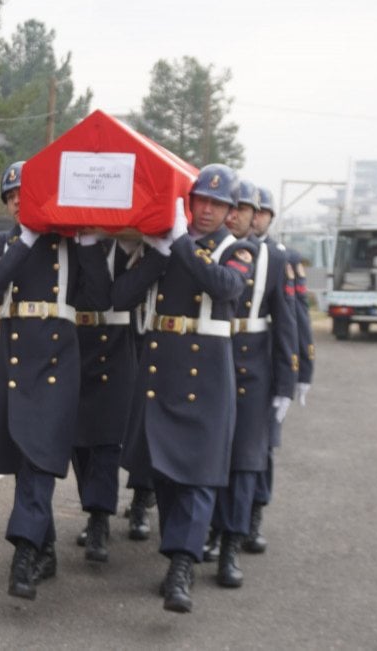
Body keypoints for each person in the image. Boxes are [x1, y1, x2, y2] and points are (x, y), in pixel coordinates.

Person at [109, 163, 254, 614]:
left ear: (230, 211)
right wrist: (158, 253)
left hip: (206, 374)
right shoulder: (167, 247)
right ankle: (177, 554)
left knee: (198, 475)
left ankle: (182, 567)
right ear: (188, 203)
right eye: (200, 201)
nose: (207, 210)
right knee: (168, 474)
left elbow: (225, 287)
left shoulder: (237, 250)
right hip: (162, 368)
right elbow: (120, 297)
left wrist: (181, 246)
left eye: (217, 204)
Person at [0, 161, 111, 600]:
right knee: (24, 458)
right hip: (11, 357)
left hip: (56, 360)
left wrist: (87, 241)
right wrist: (25, 240)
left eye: (25, 194)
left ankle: (25, 554)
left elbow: (102, 296)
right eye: (11, 195)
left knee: (40, 457)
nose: (17, 201)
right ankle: (44, 546)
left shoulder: (71, 246)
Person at [204, 180, 296, 588]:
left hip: (253, 367)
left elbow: (287, 321)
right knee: (210, 458)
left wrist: (287, 383)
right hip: (210, 359)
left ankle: (230, 546)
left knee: (244, 463)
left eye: (246, 208)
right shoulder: (208, 249)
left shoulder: (274, 261)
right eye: (234, 207)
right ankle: (207, 532)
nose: (239, 214)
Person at [247, 186, 315, 554]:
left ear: (271, 218)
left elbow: (296, 317)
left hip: (271, 362)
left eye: (262, 211)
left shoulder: (284, 258)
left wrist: (302, 370)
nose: (255, 217)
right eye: (250, 210)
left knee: (262, 446)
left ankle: (254, 515)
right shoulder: (230, 253)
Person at [70, 237, 137, 562]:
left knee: (107, 441)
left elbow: (112, 295)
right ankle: (92, 505)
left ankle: (99, 519)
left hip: (117, 345)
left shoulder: (132, 247)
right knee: (78, 441)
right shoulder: (70, 242)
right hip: (75, 344)